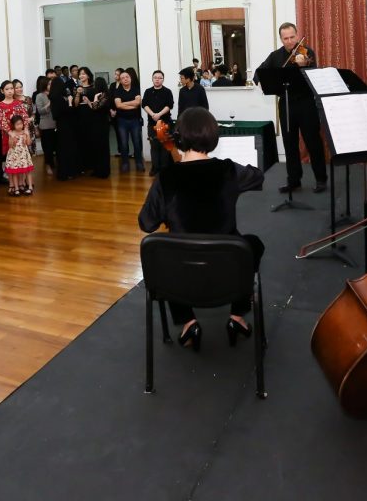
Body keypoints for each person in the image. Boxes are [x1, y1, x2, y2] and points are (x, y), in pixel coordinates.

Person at [138, 108, 265, 350]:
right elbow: (258, 177)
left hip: (180, 279)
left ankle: (188, 322)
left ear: (179, 137)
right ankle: (237, 316)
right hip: (228, 272)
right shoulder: (228, 170)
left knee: (166, 252)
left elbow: (146, 223)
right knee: (254, 244)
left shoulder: (166, 178)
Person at [257, 22, 327, 194]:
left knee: (313, 141)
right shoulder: (275, 56)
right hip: (286, 103)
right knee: (289, 144)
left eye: (292, 37)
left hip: (306, 103)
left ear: (297, 36)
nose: (289, 41)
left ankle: (320, 179)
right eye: (285, 38)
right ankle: (294, 180)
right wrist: (262, 79)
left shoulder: (307, 52)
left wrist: (303, 66)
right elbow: (259, 72)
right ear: (281, 39)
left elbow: (314, 75)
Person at [142, 70, 175, 177]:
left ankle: (164, 169)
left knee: (165, 146)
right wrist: (153, 115)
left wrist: (159, 114)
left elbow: (169, 105)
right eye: (155, 77)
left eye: (160, 78)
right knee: (154, 146)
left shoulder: (167, 91)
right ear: (152, 79)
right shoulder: (148, 91)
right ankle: (155, 168)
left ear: (163, 79)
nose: (157, 79)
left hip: (165, 122)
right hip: (152, 123)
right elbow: (144, 105)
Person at [112, 68, 144, 173]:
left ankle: (139, 163)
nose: (125, 79)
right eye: (123, 78)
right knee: (124, 143)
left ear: (130, 78)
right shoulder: (117, 91)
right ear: (120, 81)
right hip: (122, 121)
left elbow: (138, 102)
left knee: (137, 142)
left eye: (127, 77)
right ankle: (125, 164)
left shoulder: (136, 89)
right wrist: (131, 104)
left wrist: (123, 104)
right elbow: (118, 105)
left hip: (135, 120)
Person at [4, 115, 35, 196]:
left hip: (23, 154)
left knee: (27, 171)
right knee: (14, 172)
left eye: (21, 124)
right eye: (17, 124)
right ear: (13, 125)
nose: (19, 126)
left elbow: (28, 143)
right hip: (14, 155)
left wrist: (27, 135)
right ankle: (16, 188)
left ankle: (30, 187)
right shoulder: (12, 133)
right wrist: (13, 139)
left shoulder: (24, 132)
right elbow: (10, 146)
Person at [34, 77, 57, 176]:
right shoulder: (39, 96)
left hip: (56, 124)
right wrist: (49, 104)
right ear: (44, 85)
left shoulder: (54, 94)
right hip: (46, 125)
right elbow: (40, 111)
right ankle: (48, 165)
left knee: (55, 146)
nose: (50, 86)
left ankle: (53, 163)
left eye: (51, 84)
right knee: (47, 148)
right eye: (48, 84)